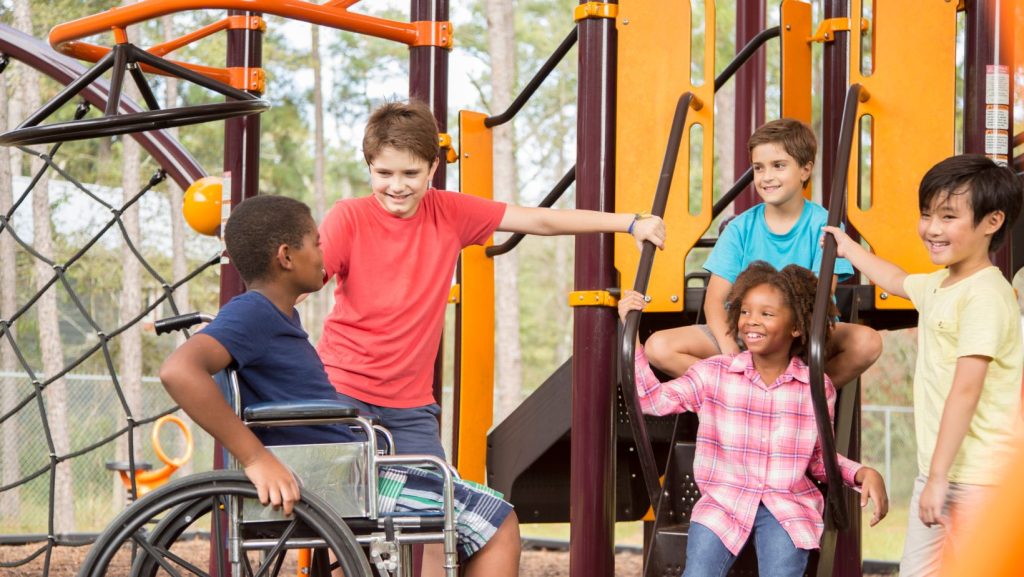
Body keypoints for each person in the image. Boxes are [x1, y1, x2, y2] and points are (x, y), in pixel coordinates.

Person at [159, 195, 521, 577]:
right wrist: (256, 458)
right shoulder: (253, 312)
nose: (323, 252)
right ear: (286, 256)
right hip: (335, 481)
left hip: (342, 472)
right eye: (316, 243)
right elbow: (178, 371)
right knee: (496, 522)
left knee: (467, 500)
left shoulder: (273, 315)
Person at [317, 100, 665, 457]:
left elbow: (539, 222)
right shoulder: (349, 218)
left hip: (409, 406)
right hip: (344, 389)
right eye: (384, 174)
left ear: (433, 167)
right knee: (350, 501)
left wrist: (630, 222)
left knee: (441, 506)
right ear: (370, 167)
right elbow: (298, 284)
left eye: (410, 174)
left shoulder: (449, 212)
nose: (397, 186)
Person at [619, 261, 888, 577]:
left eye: (766, 314)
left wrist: (861, 473)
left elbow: (818, 459)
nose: (751, 322)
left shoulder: (816, 388)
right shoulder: (715, 373)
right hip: (723, 503)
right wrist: (631, 335)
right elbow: (652, 401)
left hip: (785, 506)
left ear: (797, 326)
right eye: (745, 312)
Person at [824, 154, 1024, 576]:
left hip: (979, 477)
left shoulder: (985, 295)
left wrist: (938, 476)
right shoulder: (940, 284)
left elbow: (966, 390)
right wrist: (849, 249)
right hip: (939, 470)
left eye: (948, 216)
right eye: (927, 214)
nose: (931, 228)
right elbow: (895, 279)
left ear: (992, 222)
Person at [642, 118, 881, 387]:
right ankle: (740, 389)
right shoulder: (740, 228)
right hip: (746, 334)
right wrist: (733, 355)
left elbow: (819, 300)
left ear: (805, 169)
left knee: (868, 342)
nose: (766, 177)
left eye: (778, 166)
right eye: (759, 168)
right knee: (658, 347)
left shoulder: (824, 226)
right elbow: (714, 302)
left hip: (800, 335)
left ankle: (801, 392)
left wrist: (790, 337)